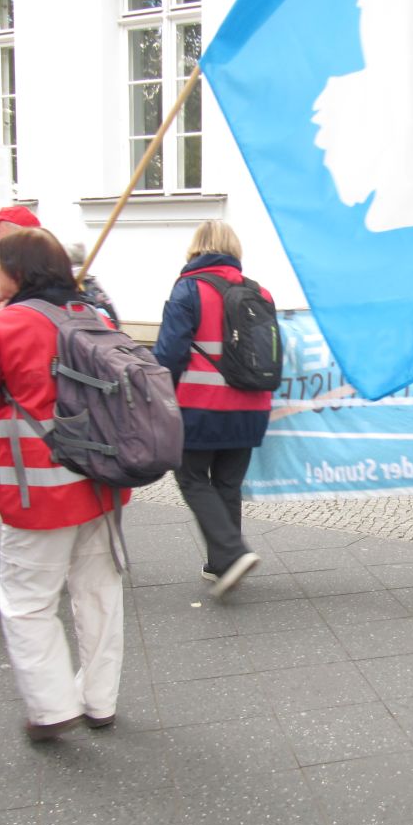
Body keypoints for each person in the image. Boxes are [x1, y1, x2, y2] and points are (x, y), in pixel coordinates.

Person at [0, 227, 127, 740]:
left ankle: (54, 707)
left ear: (17, 273)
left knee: (27, 601)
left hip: (39, 489)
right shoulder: (92, 315)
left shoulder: (7, 324)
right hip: (102, 483)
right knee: (99, 592)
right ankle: (99, 699)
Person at [153, 220, 271, 600]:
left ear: (196, 248)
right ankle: (222, 564)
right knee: (227, 484)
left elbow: (169, 354)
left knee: (191, 478)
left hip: (201, 407)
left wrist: (159, 395)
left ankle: (233, 552)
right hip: (252, 407)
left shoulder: (189, 289)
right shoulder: (260, 293)